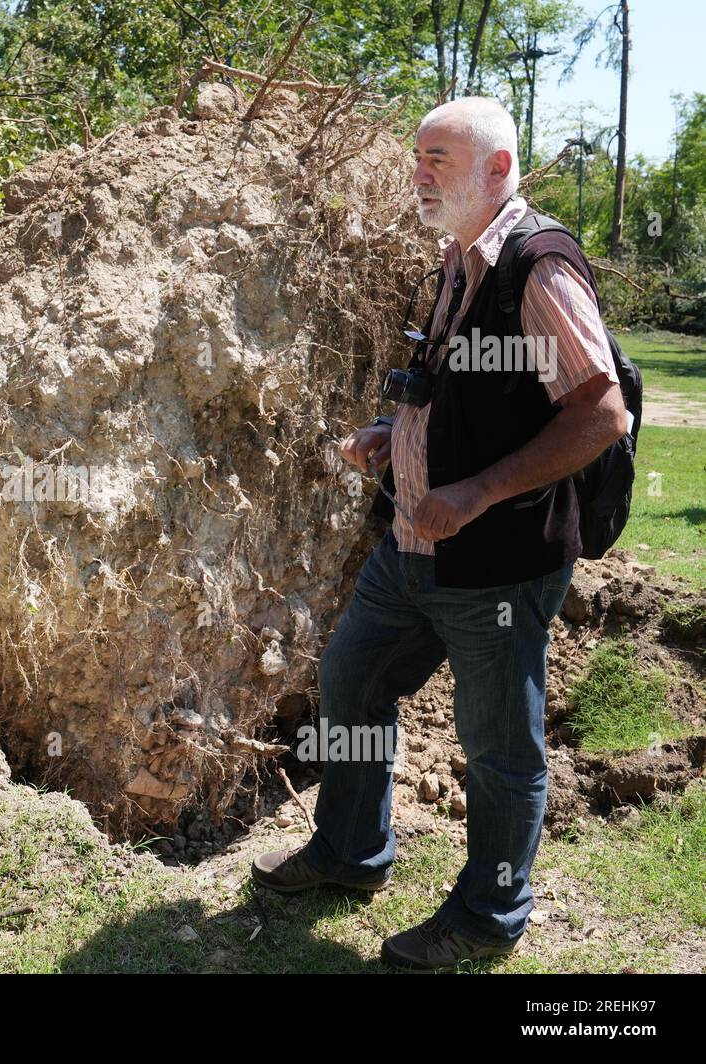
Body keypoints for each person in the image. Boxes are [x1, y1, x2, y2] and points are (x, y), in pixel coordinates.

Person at [250, 98, 628, 970]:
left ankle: (488, 916)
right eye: (416, 157)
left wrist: (479, 490)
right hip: (414, 549)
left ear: (498, 169)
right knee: (352, 681)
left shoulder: (538, 265)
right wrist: (394, 433)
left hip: (497, 564)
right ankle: (349, 853)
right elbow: (469, 392)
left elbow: (600, 411)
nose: (419, 174)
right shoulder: (459, 258)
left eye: (438, 159)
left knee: (498, 748)